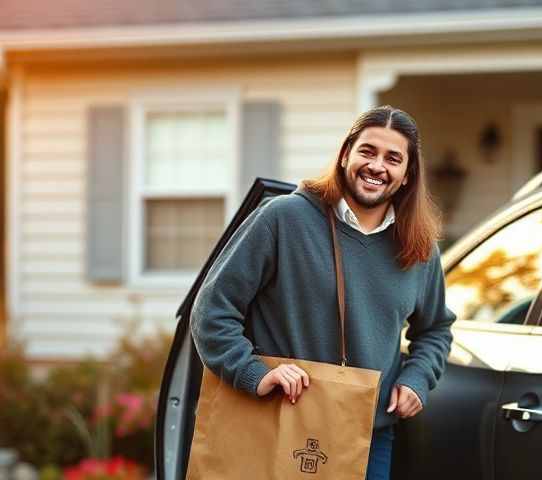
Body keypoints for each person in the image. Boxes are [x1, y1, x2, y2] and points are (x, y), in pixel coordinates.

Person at [190, 105, 457, 480]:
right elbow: (211, 311)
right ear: (346, 153)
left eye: (392, 158)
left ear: (407, 174)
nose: (377, 166)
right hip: (274, 420)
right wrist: (252, 372)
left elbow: (435, 329)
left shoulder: (418, 248)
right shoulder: (283, 218)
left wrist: (417, 379)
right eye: (368, 151)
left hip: (365, 436)